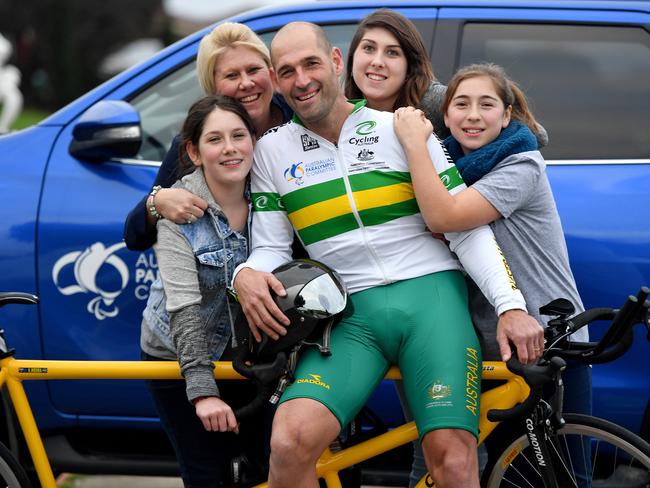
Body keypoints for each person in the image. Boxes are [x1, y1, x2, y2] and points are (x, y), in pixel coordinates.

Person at [231, 22, 543, 488]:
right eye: (287, 71)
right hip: (351, 314)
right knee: (289, 441)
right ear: (276, 81)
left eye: (312, 64)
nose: (302, 80)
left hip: (432, 300)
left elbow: (466, 231)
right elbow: (271, 247)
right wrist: (245, 273)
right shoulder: (271, 152)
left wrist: (511, 306)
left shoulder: (399, 127)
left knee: (453, 459)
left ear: (336, 63)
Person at [394, 61, 592, 480]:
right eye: (461, 104)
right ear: (445, 116)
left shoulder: (521, 165)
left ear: (506, 115)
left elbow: (444, 215)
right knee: (506, 472)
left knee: (566, 474)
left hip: (548, 333)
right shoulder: (443, 172)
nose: (473, 115)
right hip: (489, 346)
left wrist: (413, 145)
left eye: (487, 105)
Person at [140, 94, 266, 488]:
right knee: (207, 472)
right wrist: (202, 393)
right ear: (194, 151)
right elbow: (183, 308)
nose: (229, 148)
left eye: (238, 136)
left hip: (247, 353)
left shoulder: (271, 198)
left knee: (264, 465)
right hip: (177, 353)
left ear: (253, 141)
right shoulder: (178, 211)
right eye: (215, 140)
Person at [123, 22, 292, 251]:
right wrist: (158, 202)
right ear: (213, 88)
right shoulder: (192, 143)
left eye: (253, 70)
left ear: (271, 74)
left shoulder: (300, 121)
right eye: (232, 76)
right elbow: (134, 238)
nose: (246, 83)